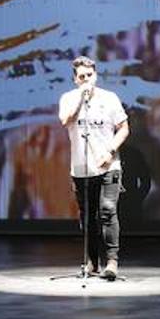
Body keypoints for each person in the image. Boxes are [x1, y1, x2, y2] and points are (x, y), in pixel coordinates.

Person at [57, 55, 128, 280]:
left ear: (95, 75)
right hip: (81, 167)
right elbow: (65, 121)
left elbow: (124, 128)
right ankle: (90, 262)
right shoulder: (68, 98)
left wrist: (110, 152)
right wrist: (80, 99)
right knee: (88, 216)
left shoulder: (110, 98)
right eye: (81, 77)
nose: (86, 79)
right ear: (75, 80)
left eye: (89, 75)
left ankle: (112, 263)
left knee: (107, 210)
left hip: (108, 164)